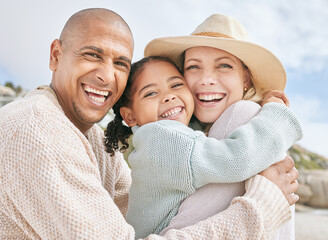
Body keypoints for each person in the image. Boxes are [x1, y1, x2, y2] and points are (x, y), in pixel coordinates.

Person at [0, 8, 298, 240]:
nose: (106, 75)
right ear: (56, 55)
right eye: (92, 55)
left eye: (120, 63)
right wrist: (261, 208)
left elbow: (132, 209)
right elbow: (233, 159)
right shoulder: (37, 129)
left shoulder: (94, 141)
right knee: (247, 119)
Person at [104, 54, 302, 238]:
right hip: (166, 233)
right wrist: (276, 113)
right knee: (248, 115)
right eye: (151, 93)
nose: (168, 96)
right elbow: (236, 159)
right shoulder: (158, 138)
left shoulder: (177, 132)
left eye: (176, 85)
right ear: (129, 116)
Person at [145, 14, 298, 240]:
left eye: (224, 66)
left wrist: (278, 114)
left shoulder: (243, 116)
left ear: (246, 79)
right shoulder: (189, 134)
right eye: (194, 67)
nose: (207, 79)